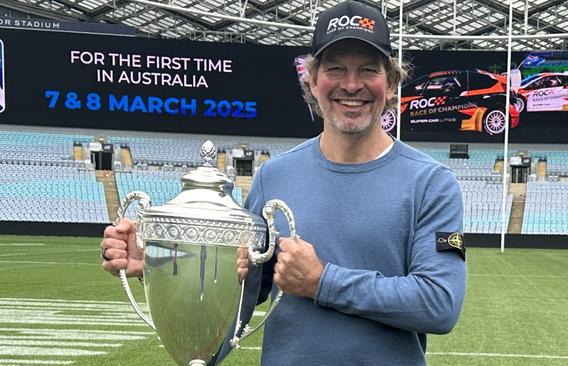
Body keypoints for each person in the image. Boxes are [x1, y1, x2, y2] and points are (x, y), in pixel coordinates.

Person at [101, 1, 467, 365]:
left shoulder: (432, 184)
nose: (351, 84)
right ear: (312, 79)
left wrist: (323, 282)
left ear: (390, 84)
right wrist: (163, 261)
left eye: (368, 70)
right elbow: (240, 290)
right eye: (336, 68)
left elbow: (439, 303)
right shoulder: (273, 176)